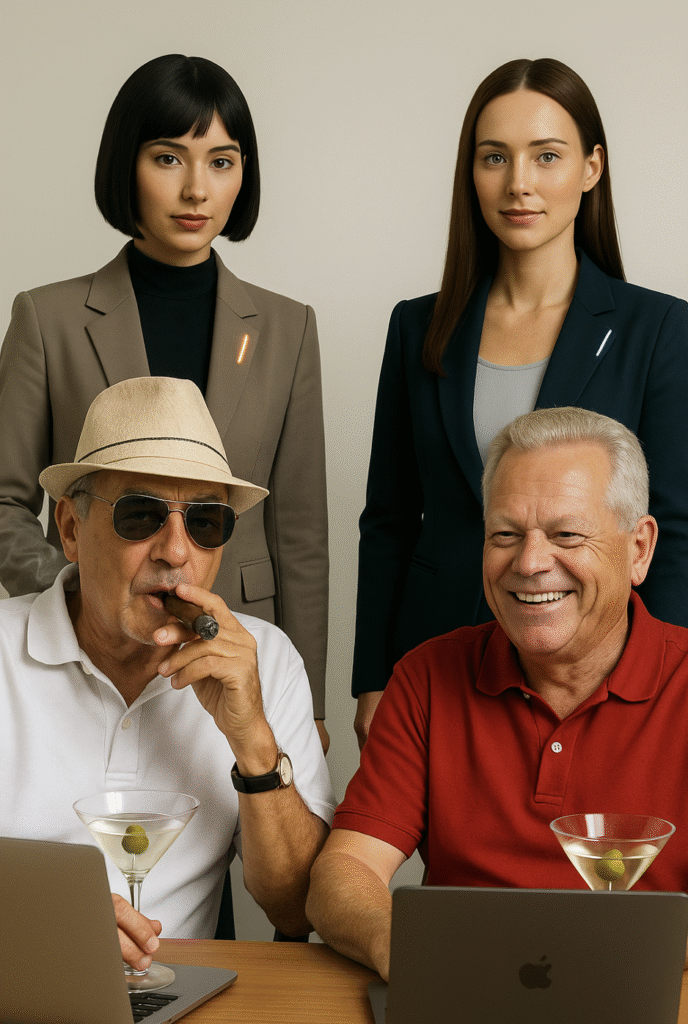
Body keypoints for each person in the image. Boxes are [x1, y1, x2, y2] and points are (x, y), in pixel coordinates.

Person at [352, 57, 688, 748]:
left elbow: (675, 530)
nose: (518, 183)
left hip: (596, 672)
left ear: (592, 167)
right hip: (437, 657)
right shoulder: (418, 326)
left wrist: (672, 691)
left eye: (547, 156)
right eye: (495, 157)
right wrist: (373, 678)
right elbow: (388, 521)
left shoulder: (658, 329)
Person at [0, 54, 329, 751]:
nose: (196, 189)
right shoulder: (47, 319)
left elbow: (299, 532)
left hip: (237, 652)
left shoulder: (289, 327)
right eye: (168, 157)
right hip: (87, 659)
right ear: (127, 163)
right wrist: (78, 592)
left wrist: (310, 700)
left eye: (221, 162)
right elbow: (2, 502)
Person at [308, 407, 688, 979]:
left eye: (566, 535)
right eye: (505, 535)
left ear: (639, 549)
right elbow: (344, 872)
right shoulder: (427, 676)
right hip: (457, 990)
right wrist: (405, 951)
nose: (529, 563)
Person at [0, 376, 335, 970]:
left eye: (205, 522)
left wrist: (252, 741)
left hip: (184, 1001)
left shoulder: (266, 659)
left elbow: (296, 910)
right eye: (141, 516)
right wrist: (40, 928)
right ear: (71, 530)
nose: (177, 552)